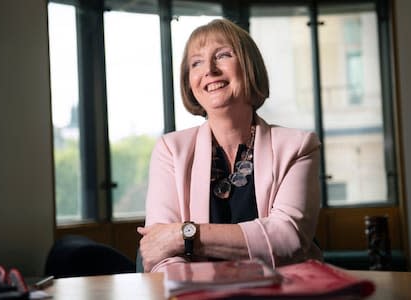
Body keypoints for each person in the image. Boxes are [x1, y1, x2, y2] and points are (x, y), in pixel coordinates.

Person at [137, 18, 322, 273]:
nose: (209, 71)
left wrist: (184, 236)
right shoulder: (170, 150)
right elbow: (158, 253)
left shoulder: (298, 147)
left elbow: (288, 239)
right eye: (196, 62)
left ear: (249, 67)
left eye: (222, 55)